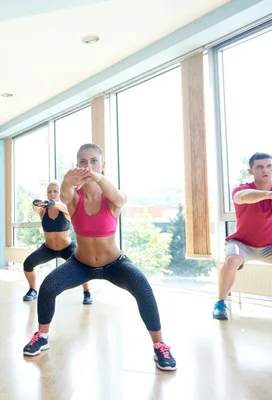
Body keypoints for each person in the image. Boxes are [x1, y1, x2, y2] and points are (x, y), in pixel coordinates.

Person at [22, 143, 177, 371]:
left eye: (94, 161)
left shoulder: (112, 198)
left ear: (103, 165)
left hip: (114, 264)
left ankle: (160, 345)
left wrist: (96, 177)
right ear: (77, 166)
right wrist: (67, 181)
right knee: (48, 286)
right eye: (82, 162)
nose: (88, 166)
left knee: (143, 288)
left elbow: (117, 195)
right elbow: (65, 194)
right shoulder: (75, 199)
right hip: (81, 264)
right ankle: (42, 335)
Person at [213, 152, 272, 320]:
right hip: (241, 244)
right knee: (233, 260)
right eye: (259, 167)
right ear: (250, 171)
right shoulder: (242, 189)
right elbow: (241, 197)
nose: (265, 170)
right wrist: (269, 195)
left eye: (268, 166)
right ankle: (220, 304)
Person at [22, 182, 92, 304]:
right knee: (28, 264)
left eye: (55, 191)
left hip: (66, 248)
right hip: (48, 249)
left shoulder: (66, 208)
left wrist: (53, 204)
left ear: (60, 193)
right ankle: (33, 290)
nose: (52, 194)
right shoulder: (43, 211)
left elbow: (63, 207)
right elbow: (35, 208)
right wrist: (35, 203)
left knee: (83, 265)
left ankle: (87, 292)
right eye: (49, 192)